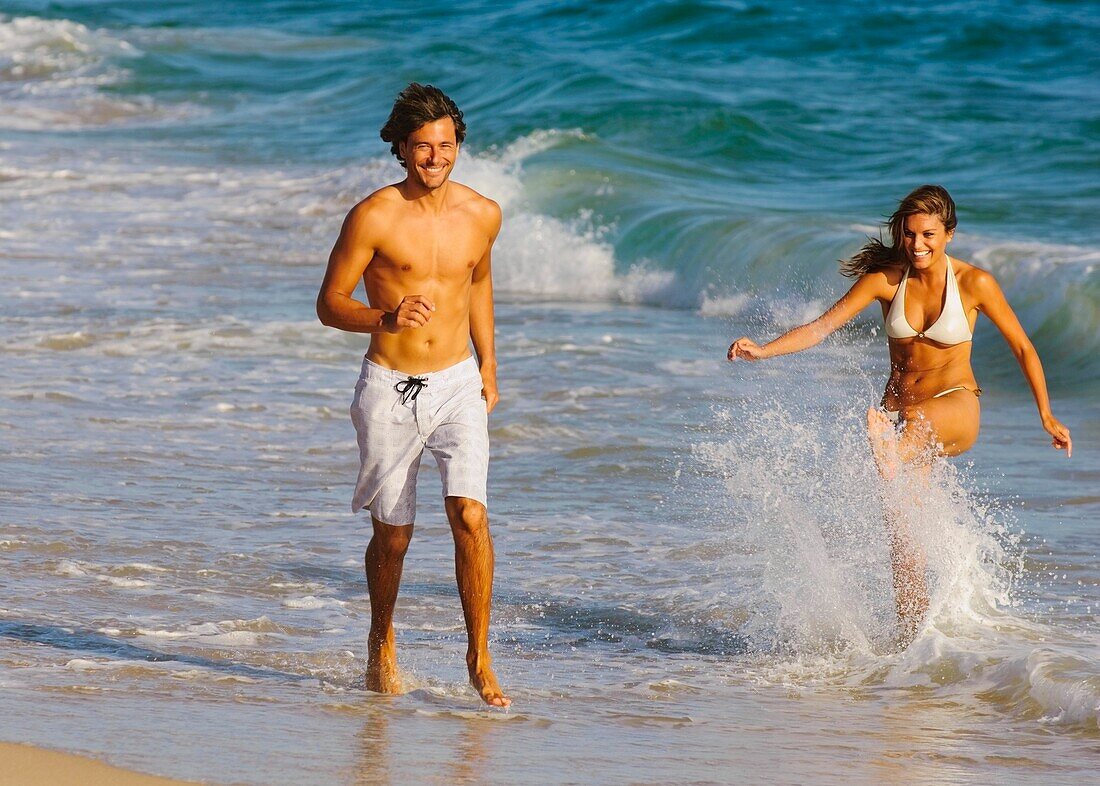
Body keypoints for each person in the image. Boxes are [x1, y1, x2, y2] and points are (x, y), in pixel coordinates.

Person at [726, 184, 1071, 641]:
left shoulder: (974, 284)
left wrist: (1045, 414)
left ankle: (891, 456)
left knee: (918, 424)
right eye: (908, 235)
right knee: (904, 541)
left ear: (949, 234)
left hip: (955, 406)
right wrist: (764, 351)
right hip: (898, 420)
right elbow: (823, 327)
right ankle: (911, 641)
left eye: (928, 234)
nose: (917, 245)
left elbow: (1024, 347)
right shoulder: (886, 280)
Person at [316, 83, 509, 707]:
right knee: (394, 537)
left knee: (470, 515)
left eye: (446, 146)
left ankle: (478, 657)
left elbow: (477, 282)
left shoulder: (483, 214)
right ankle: (381, 639)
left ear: (459, 147)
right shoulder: (373, 215)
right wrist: (386, 318)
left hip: (457, 381)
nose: (435, 159)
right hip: (388, 387)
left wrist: (490, 365)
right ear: (401, 148)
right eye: (423, 147)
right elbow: (329, 305)